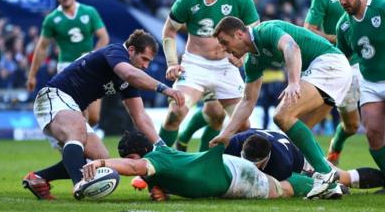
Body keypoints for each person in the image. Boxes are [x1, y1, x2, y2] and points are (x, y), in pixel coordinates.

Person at [22, 29, 185, 200]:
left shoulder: (129, 80)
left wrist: (161, 145)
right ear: (131, 51)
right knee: (77, 131)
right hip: (53, 95)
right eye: (144, 59)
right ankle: (80, 184)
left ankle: (38, 178)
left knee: (101, 158)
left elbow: (140, 116)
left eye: (149, 62)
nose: (146, 66)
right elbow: (129, 73)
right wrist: (165, 89)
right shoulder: (115, 52)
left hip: (70, 105)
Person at [210, 16, 353, 199]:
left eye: (224, 42)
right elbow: (247, 101)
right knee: (297, 139)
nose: (223, 48)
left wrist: (293, 83)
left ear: (239, 34)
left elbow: (291, 47)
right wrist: (227, 134)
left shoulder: (266, 30)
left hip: (329, 64)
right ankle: (331, 185)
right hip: (327, 71)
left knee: (282, 115)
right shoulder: (253, 61)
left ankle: (325, 174)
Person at [80, 131, 343, 201]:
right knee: (280, 187)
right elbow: (148, 176)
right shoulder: (155, 169)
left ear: (141, 154)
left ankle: (332, 185)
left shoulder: (157, 158)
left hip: (236, 176)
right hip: (227, 173)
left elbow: (135, 168)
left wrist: (101, 162)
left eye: (130, 158)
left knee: (284, 189)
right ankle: (331, 181)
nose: (128, 163)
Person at [159, 0, 260, 149]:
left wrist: (243, 56)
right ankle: (154, 163)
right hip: (195, 65)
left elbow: (255, 33)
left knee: (239, 125)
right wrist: (172, 63)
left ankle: (203, 162)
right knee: (175, 113)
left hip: (226, 67)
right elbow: (169, 30)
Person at [304, 0, 371, 165]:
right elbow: (309, 29)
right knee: (352, 126)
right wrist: (337, 38)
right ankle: (334, 151)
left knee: (376, 122)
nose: (343, 0)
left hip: (368, 66)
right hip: (342, 67)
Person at [26, 0, 109, 129]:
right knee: (80, 113)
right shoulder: (52, 19)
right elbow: (41, 48)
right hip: (67, 68)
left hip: (90, 66)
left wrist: (92, 57)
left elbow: (104, 38)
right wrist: (32, 75)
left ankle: (81, 141)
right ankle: (80, 146)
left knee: (94, 117)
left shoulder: (89, 12)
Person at [225, 128, 385, 190]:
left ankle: (382, 178)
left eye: (254, 164)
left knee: (342, 178)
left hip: (299, 155)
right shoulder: (235, 142)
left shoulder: (281, 163)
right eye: (244, 159)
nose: (248, 166)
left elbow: (286, 187)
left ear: (266, 158)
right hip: (275, 138)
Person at [335, 0, 385, 181]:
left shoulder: (381, 7)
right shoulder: (343, 26)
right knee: (373, 133)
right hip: (369, 81)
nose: (343, 2)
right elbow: (341, 59)